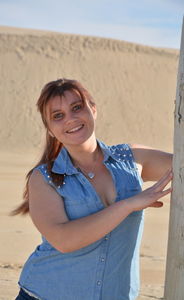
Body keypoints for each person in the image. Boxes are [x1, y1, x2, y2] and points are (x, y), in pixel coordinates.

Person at [13, 78, 173, 300]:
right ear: (50, 129)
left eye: (77, 108)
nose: (70, 119)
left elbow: (180, 167)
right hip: (47, 294)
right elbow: (64, 240)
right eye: (58, 116)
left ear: (93, 109)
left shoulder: (132, 159)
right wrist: (128, 205)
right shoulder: (43, 178)